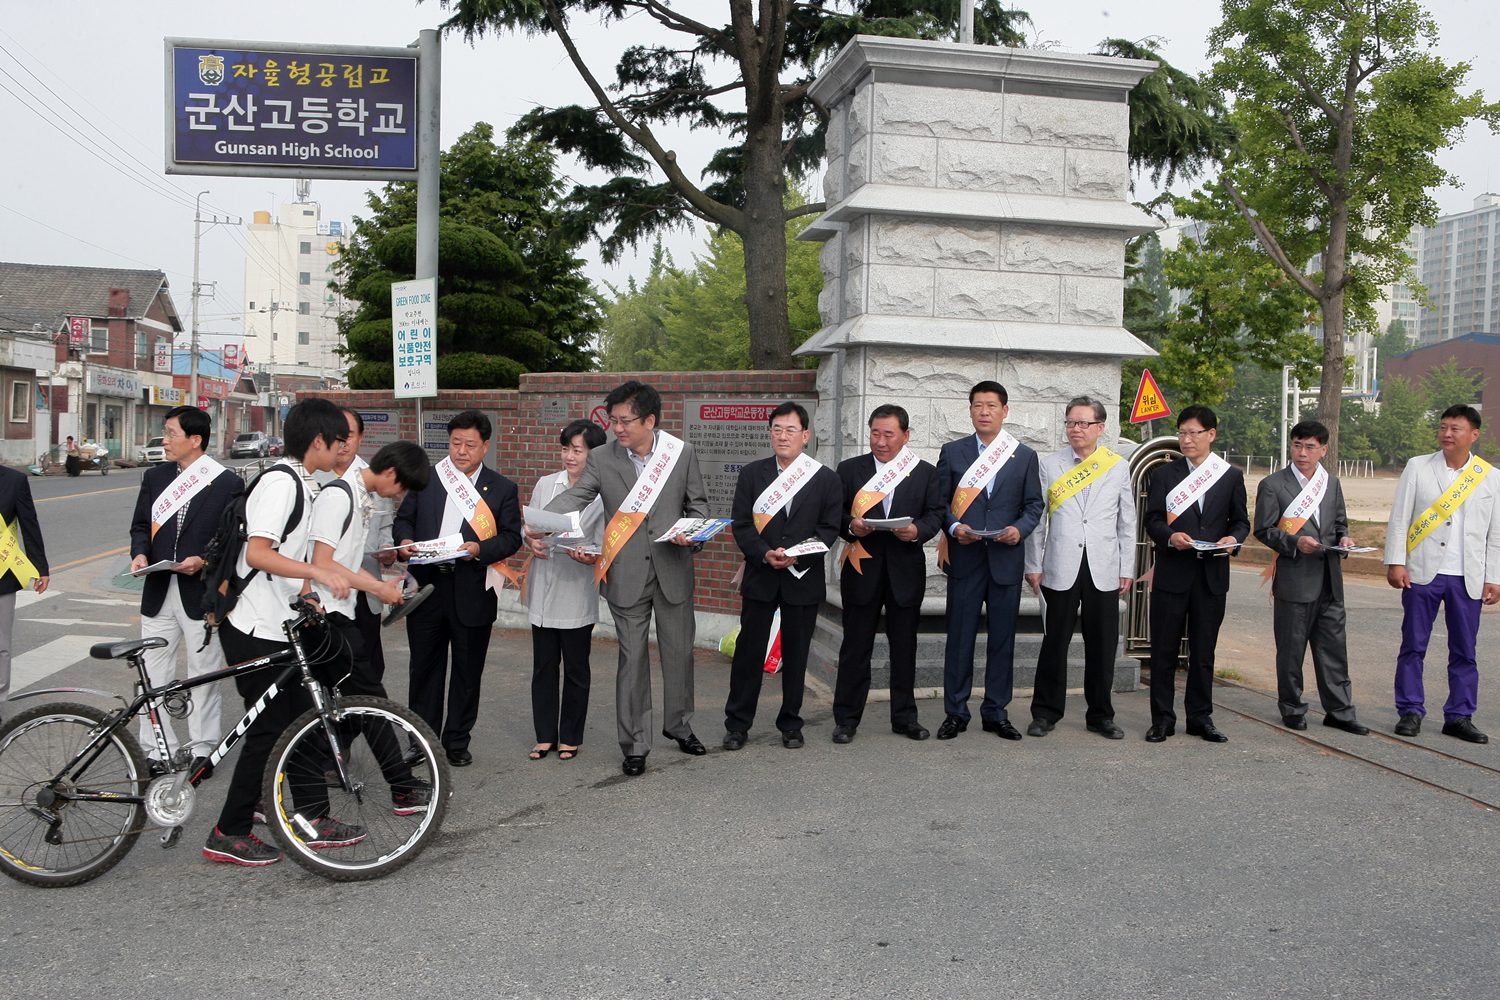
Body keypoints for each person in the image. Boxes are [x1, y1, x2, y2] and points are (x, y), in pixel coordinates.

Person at [203, 397, 363, 867]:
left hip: (281, 622)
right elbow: (258, 554)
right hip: (253, 624)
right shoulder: (280, 483)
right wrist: (321, 574)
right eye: (338, 441)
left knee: (300, 721)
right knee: (270, 730)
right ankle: (228, 831)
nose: (343, 450)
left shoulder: (309, 484)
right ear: (317, 441)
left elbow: (288, 557)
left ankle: (312, 816)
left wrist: (308, 588)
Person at [536, 381, 710, 776]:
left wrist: (693, 533)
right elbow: (576, 498)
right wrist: (541, 521)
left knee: (680, 654)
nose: (617, 428)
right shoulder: (601, 458)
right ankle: (634, 743)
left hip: (673, 568)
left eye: (624, 420)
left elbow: (697, 505)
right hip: (626, 574)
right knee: (632, 661)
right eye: (613, 420)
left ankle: (679, 725)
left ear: (650, 420)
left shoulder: (680, 454)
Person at [394, 410, 523, 767]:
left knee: (467, 671)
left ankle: (456, 740)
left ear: (485, 446)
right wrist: (404, 539)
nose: (461, 451)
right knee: (424, 669)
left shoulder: (502, 489)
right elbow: (403, 518)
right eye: (455, 443)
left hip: (471, 587)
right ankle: (421, 740)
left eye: (469, 445)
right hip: (427, 587)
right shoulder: (428, 478)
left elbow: (512, 537)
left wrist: (481, 549)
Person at [307, 438, 430, 810]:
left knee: (358, 702)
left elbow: (347, 561)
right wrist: (377, 586)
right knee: (369, 700)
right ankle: (400, 785)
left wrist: (379, 583)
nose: (401, 494)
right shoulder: (339, 497)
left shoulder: (361, 497)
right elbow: (322, 562)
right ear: (390, 472)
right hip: (321, 616)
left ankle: (398, 784)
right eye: (403, 486)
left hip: (337, 613)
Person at [128, 405, 244, 776]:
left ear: (195, 440)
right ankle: (157, 749)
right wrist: (140, 554)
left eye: (171, 433)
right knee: (153, 672)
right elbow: (139, 527)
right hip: (159, 587)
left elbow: (231, 542)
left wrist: (204, 562)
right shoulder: (155, 477)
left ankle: (202, 749)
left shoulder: (226, 482)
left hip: (201, 591)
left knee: (203, 673)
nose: (165, 440)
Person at [722, 402, 842, 751]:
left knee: (797, 653)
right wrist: (763, 553)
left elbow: (829, 529)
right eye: (776, 429)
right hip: (761, 575)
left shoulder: (825, 478)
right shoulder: (752, 474)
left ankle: (791, 722)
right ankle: (737, 724)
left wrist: (795, 555)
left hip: (802, 579)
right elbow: (742, 524)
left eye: (790, 430)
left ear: (806, 435)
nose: (782, 436)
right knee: (749, 654)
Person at [934, 381, 1044, 742]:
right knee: (960, 638)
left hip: (1005, 560)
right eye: (978, 405)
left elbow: (1033, 506)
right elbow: (940, 505)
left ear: (1004, 411)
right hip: (966, 558)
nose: (984, 411)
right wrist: (953, 527)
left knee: (1002, 640)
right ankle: (956, 712)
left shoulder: (1024, 456)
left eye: (991, 406)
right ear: (970, 411)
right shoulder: (953, 452)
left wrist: (1019, 530)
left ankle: (996, 712)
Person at [1384, 404, 1500, 744]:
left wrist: (1494, 576)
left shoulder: (1490, 476)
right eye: (1443, 427)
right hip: (1422, 572)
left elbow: (1495, 534)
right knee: (1413, 645)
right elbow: (1400, 517)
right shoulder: (1418, 467)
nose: (1447, 434)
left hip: (1468, 577)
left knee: (1465, 650)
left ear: (1474, 435)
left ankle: (1460, 715)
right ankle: (1409, 710)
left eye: (1456, 429)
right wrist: (1396, 561)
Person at [830, 404, 945, 744]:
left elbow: (936, 513)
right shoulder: (850, 470)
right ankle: (846, 719)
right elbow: (833, 513)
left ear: (906, 436)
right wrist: (851, 525)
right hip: (861, 566)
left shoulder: (924, 472)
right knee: (855, 646)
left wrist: (918, 530)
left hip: (904, 570)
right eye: (875, 433)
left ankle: (905, 717)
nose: (880, 441)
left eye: (888, 434)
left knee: (904, 647)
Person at [1024, 396, 1135, 740]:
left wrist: (1127, 567)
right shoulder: (1050, 465)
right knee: (1054, 641)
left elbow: (1126, 521)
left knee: (1102, 644)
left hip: (1103, 565)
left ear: (1100, 428)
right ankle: (1045, 713)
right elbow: (1037, 519)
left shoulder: (1116, 465)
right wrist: (1033, 563)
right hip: (1060, 563)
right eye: (1071, 422)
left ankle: (1100, 715)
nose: (1076, 429)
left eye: (1083, 423)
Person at [1142, 405, 1250, 744]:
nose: (1186, 439)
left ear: (1211, 435)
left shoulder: (1229, 475)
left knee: (1203, 653)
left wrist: (1234, 539)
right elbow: (1153, 519)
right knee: (1163, 651)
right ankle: (1162, 719)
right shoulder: (1164, 474)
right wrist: (1170, 536)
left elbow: (1241, 521)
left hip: (1211, 576)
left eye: (1194, 433)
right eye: (1182, 432)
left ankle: (1200, 718)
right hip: (1174, 572)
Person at [1254, 420, 1369, 735]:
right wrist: (1294, 543)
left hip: (1330, 579)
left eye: (1309, 447)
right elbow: (1263, 530)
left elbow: (1341, 523)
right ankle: (1292, 707)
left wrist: (1345, 539)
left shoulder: (1330, 483)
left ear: (1324, 449)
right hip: (1294, 577)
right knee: (1291, 650)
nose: (1302, 453)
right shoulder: (1274, 485)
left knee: (1333, 649)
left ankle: (1340, 711)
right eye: (1297, 446)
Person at [522, 419, 608, 761]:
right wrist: (530, 541)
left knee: (575, 667)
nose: (569, 456)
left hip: (576, 585)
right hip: (545, 580)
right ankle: (544, 736)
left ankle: (570, 736)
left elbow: (604, 541)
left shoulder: (602, 493)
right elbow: (529, 526)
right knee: (543, 666)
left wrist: (589, 555)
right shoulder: (547, 484)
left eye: (578, 450)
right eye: (565, 449)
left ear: (594, 454)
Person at [0, 464, 49, 722]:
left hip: (2, 573)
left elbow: (29, 522)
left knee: (1, 644)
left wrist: (40, 567)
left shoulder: (14, 481)